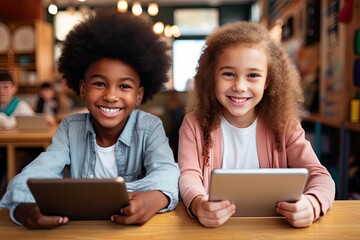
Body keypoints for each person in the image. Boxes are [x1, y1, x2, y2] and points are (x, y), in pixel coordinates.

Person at [0, 9, 179, 229]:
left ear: (139, 95)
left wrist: (153, 199)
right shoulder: (70, 128)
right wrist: (25, 209)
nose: (111, 96)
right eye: (99, 84)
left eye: (124, 86)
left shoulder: (150, 127)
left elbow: (168, 172)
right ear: (83, 88)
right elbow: (37, 173)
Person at [178, 21, 335, 228]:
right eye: (228, 74)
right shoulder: (194, 124)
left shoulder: (284, 125)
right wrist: (198, 204)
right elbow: (189, 175)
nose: (240, 86)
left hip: (271, 229)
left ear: (267, 81)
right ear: (211, 77)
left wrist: (312, 204)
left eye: (253, 75)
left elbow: (321, 177)